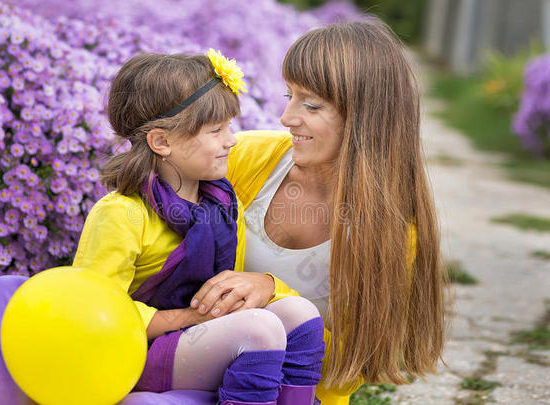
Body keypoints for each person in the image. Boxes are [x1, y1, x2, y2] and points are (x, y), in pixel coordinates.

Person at [0, 50, 326, 405]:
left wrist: (237, 300)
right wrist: (186, 316)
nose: (231, 140)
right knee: (259, 331)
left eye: (230, 126)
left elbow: (221, 289)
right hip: (130, 351)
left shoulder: (221, 205)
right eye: (217, 130)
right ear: (162, 142)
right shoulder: (122, 214)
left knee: (301, 315)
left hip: (192, 338)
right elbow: (90, 312)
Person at [187, 20, 446, 405]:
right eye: (289, 95)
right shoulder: (245, 157)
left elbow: (346, 366)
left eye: (310, 104)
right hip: (192, 370)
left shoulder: (394, 231)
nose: (287, 117)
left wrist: (274, 292)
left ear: (365, 117)